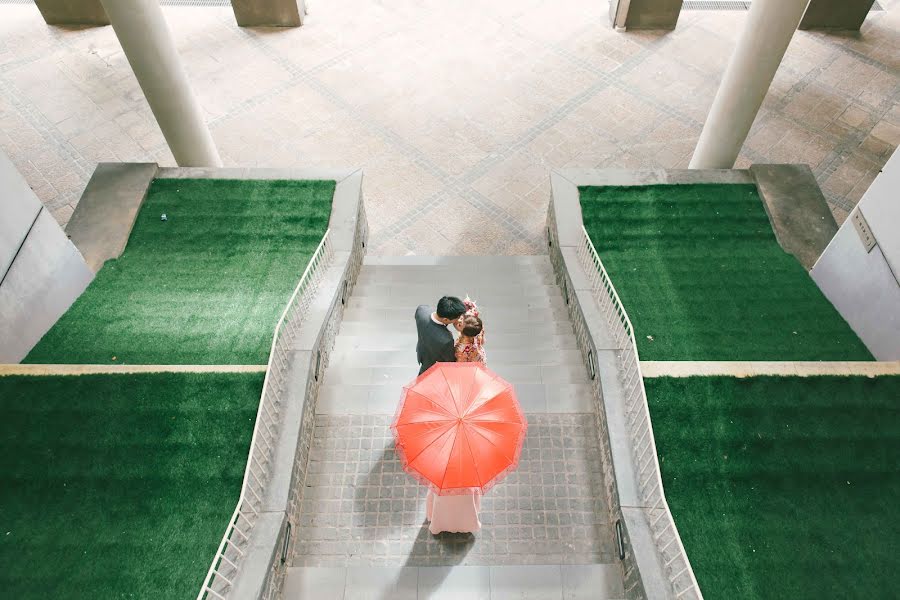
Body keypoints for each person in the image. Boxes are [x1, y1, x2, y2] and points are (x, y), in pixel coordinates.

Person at [415, 296, 466, 375]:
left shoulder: (422, 310)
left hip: (423, 353)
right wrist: (462, 332)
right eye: (457, 317)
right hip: (433, 365)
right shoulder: (446, 340)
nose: (459, 319)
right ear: (445, 319)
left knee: (420, 380)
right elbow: (450, 362)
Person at [453, 299, 486, 363]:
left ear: (464, 333)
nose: (458, 321)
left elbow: (459, 366)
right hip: (480, 361)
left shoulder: (461, 351)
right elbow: (482, 341)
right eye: (461, 318)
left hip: (469, 368)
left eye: (459, 325)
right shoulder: (477, 329)